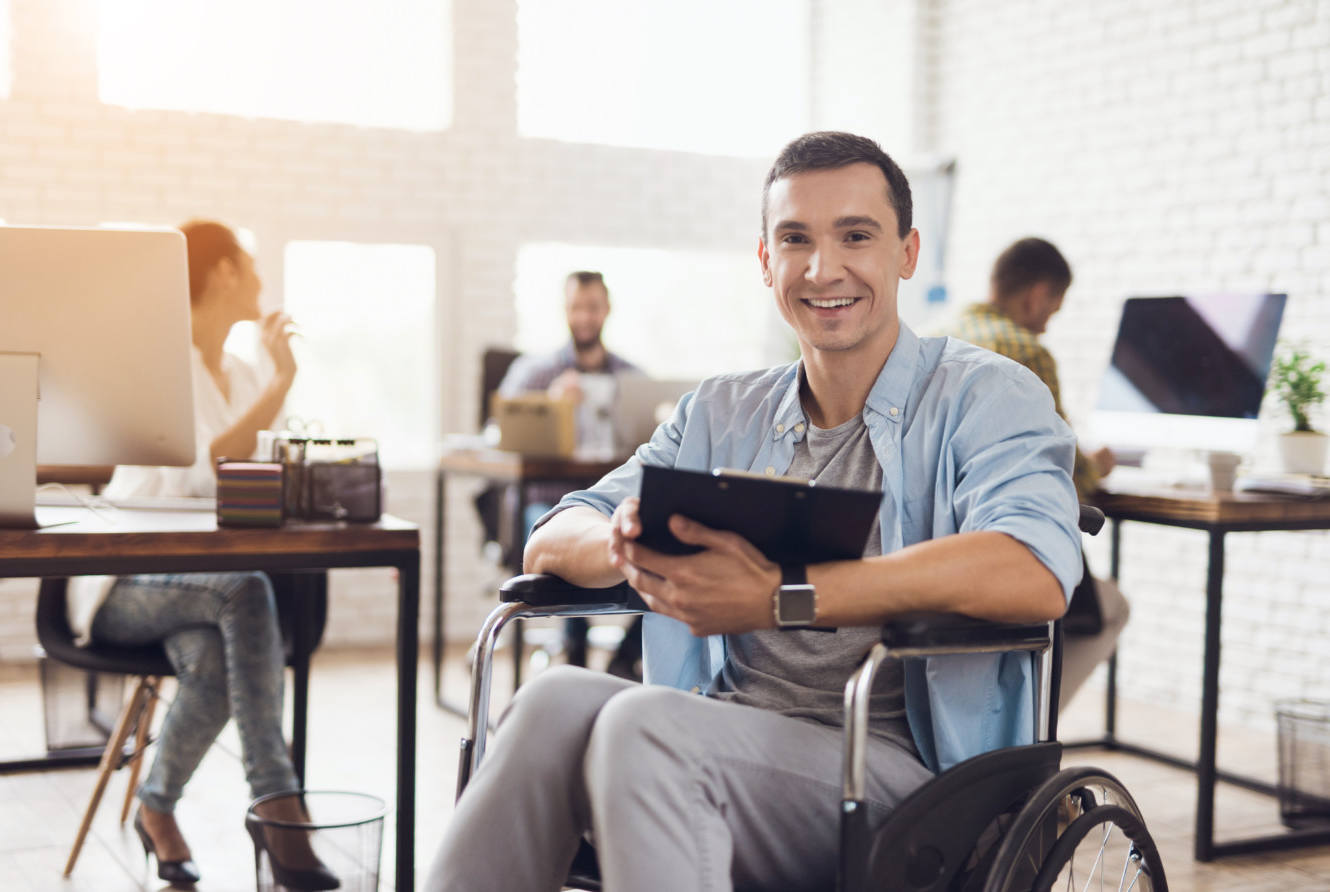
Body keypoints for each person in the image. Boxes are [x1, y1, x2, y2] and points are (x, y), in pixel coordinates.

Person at [425, 132, 1082, 892]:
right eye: (795, 239)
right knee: (548, 701)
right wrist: (638, 541)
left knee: (642, 728)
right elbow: (554, 533)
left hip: (905, 780)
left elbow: (1033, 568)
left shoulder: (987, 396)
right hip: (724, 729)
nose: (822, 268)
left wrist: (782, 596)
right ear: (766, 261)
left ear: (906, 252)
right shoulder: (720, 411)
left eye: (856, 237)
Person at [66, 220, 338, 890]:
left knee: (218, 655)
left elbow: (261, 470)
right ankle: (277, 800)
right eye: (250, 263)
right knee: (245, 590)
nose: (259, 279)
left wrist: (275, 392)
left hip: (200, 587)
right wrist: (283, 382)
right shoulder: (157, 361)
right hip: (124, 586)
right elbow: (207, 466)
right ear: (219, 271)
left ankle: (155, 810)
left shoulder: (242, 373)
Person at [925, 237, 1128, 708]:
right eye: (1052, 310)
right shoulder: (1025, 350)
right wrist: (1095, 464)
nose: (1047, 324)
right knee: (1109, 608)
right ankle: (1029, 728)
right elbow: (1059, 469)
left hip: (934, 537)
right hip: (999, 546)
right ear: (1036, 295)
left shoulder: (934, 335)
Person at [495, 270, 644, 676]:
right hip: (546, 501)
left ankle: (626, 656)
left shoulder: (632, 379)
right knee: (558, 536)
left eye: (592, 307)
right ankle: (574, 649)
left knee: (662, 542)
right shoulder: (535, 374)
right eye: (577, 307)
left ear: (606, 310)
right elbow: (500, 432)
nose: (584, 317)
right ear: (566, 310)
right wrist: (551, 406)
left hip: (609, 504)